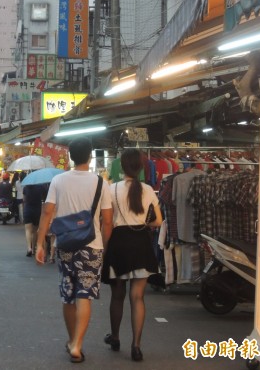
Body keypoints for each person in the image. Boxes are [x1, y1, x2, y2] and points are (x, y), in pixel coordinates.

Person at [35, 137, 113, 364]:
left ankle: (72, 341)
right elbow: (107, 221)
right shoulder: (101, 183)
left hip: (65, 245)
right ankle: (77, 344)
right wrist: (105, 248)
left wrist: (40, 243)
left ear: (70, 156)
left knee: (68, 295)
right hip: (92, 246)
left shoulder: (58, 181)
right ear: (90, 156)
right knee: (84, 296)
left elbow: (47, 212)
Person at [102, 148, 163, 362]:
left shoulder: (111, 189)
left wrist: (105, 248)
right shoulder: (147, 190)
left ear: (121, 166)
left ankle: (115, 337)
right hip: (141, 244)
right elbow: (158, 221)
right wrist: (143, 223)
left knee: (117, 295)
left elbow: (106, 222)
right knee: (137, 297)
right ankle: (136, 346)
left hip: (118, 243)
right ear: (140, 167)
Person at [22, 181, 48, 257]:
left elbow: (24, 199)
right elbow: (45, 198)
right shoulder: (41, 187)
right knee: (35, 230)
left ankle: (29, 248)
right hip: (37, 210)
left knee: (28, 230)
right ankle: (33, 249)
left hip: (27, 209)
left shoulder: (26, 187)